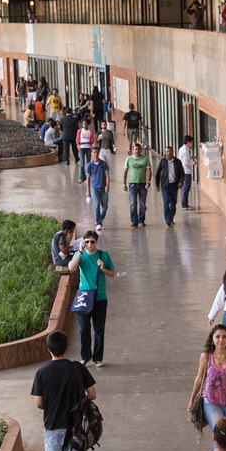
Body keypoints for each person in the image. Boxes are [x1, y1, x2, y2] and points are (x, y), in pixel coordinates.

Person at [31, 330, 97, 451]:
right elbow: (92, 394)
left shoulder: (42, 372)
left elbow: (38, 403)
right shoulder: (77, 368)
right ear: (66, 347)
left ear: (48, 349)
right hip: (77, 427)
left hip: (53, 426)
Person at [67, 230, 115, 367]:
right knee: (83, 329)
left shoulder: (103, 256)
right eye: (87, 242)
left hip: (99, 298)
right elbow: (71, 268)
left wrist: (103, 268)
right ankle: (85, 356)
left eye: (92, 242)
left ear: (96, 242)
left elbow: (112, 273)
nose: (89, 244)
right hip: (84, 297)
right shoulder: (79, 255)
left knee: (99, 329)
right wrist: (80, 252)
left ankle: (97, 358)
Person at [122, 142, 151, 228]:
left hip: (142, 184)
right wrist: (124, 183)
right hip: (132, 184)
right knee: (133, 203)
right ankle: (134, 221)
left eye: (138, 149)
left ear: (141, 150)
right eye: (135, 149)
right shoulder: (128, 159)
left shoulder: (145, 159)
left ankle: (141, 219)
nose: (137, 151)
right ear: (132, 150)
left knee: (142, 204)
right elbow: (125, 172)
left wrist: (148, 181)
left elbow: (149, 170)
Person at [155, 145, 184, 227]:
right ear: (165, 152)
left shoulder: (178, 162)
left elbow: (182, 173)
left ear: (173, 152)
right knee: (166, 201)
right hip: (165, 185)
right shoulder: (162, 161)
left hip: (174, 185)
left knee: (173, 203)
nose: (169, 153)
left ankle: (171, 217)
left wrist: (181, 182)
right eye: (167, 152)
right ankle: (167, 219)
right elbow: (157, 174)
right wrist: (157, 185)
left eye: (170, 151)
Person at [85, 149, 111, 230]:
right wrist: (88, 191)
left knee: (105, 206)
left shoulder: (103, 164)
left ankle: (100, 218)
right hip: (94, 188)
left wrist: (107, 185)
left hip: (103, 188)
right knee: (96, 206)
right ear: (91, 153)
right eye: (94, 152)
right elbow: (88, 178)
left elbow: (107, 175)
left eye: (97, 152)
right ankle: (98, 223)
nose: (96, 154)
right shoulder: (89, 165)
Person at [76, 119, 95, 183]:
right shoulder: (79, 131)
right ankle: (82, 177)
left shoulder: (91, 131)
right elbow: (77, 139)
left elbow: (92, 141)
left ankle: (89, 176)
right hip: (81, 148)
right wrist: (78, 145)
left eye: (86, 124)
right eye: (83, 124)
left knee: (88, 163)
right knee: (82, 163)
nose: (84, 125)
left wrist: (87, 143)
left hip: (88, 148)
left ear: (88, 124)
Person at [179, 135, 195, 209]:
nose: (192, 144)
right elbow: (186, 163)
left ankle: (185, 204)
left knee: (185, 188)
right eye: (191, 143)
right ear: (188, 142)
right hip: (186, 172)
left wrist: (191, 157)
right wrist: (194, 163)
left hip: (183, 171)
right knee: (186, 188)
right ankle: (184, 205)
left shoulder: (182, 149)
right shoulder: (185, 151)